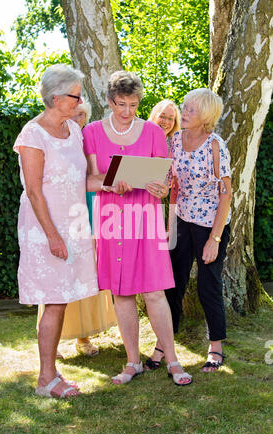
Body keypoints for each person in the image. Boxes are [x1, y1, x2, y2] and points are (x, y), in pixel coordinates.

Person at [82, 70, 192, 386]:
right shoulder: (91, 133)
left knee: (155, 291)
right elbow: (89, 180)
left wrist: (159, 189)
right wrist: (110, 183)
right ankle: (132, 362)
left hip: (145, 218)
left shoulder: (153, 133)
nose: (127, 111)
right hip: (112, 220)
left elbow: (163, 179)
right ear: (109, 101)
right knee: (122, 293)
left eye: (132, 104)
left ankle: (171, 359)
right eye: (120, 104)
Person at [14, 64, 100, 399]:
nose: (80, 103)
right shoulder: (32, 134)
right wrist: (52, 236)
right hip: (45, 230)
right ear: (55, 97)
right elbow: (34, 191)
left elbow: (84, 180)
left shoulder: (74, 131)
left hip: (72, 226)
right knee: (53, 301)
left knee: (60, 301)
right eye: (75, 96)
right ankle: (45, 381)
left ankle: (51, 374)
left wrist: (116, 183)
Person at [37, 98, 117, 358]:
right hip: (61, 216)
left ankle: (83, 337)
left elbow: (105, 171)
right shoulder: (52, 141)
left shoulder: (88, 142)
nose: (77, 119)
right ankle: (54, 343)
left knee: (84, 275)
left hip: (89, 214)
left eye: (82, 115)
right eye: (75, 114)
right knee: (56, 279)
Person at [159, 88, 232, 372]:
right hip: (181, 220)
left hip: (210, 224)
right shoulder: (174, 140)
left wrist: (214, 239)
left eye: (191, 110)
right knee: (172, 282)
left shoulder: (215, 145)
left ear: (206, 117)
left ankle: (216, 346)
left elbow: (226, 194)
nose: (183, 112)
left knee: (207, 286)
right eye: (184, 107)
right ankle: (165, 343)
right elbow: (167, 181)